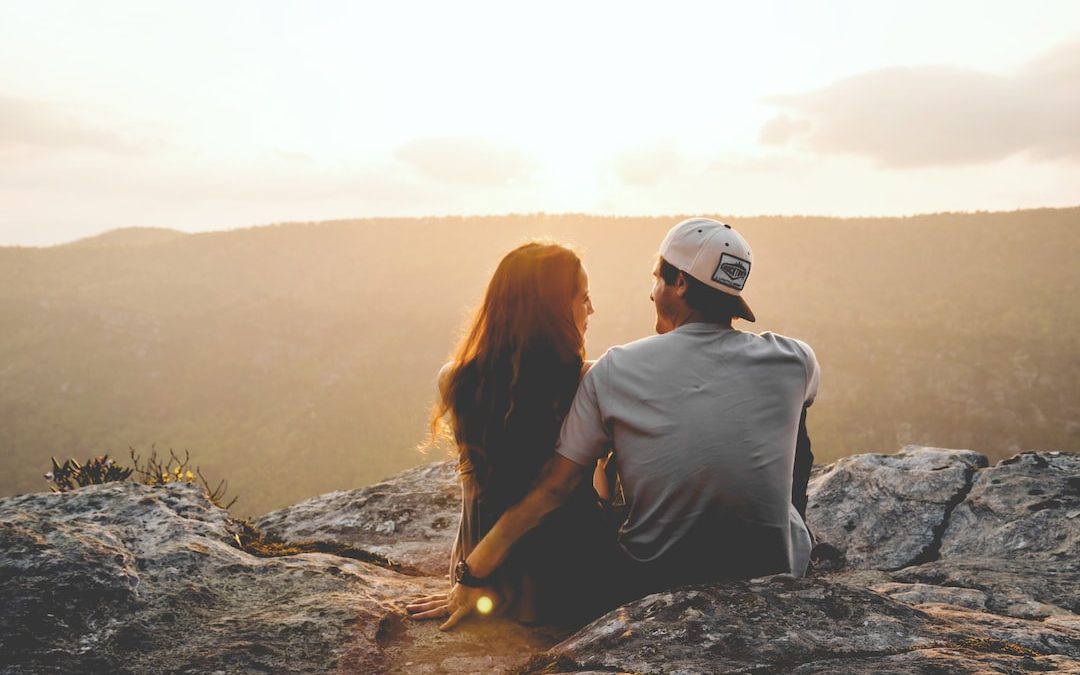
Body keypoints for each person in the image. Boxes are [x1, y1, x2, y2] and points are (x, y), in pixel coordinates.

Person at [428, 217, 820, 630]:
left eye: (657, 279)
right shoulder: (796, 359)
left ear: (680, 284)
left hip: (652, 575)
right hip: (776, 569)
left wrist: (473, 569)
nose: (651, 292)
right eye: (584, 299)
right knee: (797, 414)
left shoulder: (616, 369)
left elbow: (554, 486)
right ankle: (780, 531)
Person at [406, 241, 611, 627]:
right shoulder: (589, 380)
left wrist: (467, 577)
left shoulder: (454, 379)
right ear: (551, 312)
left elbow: (476, 495)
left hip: (485, 579)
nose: (591, 309)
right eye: (583, 298)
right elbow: (552, 493)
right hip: (570, 579)